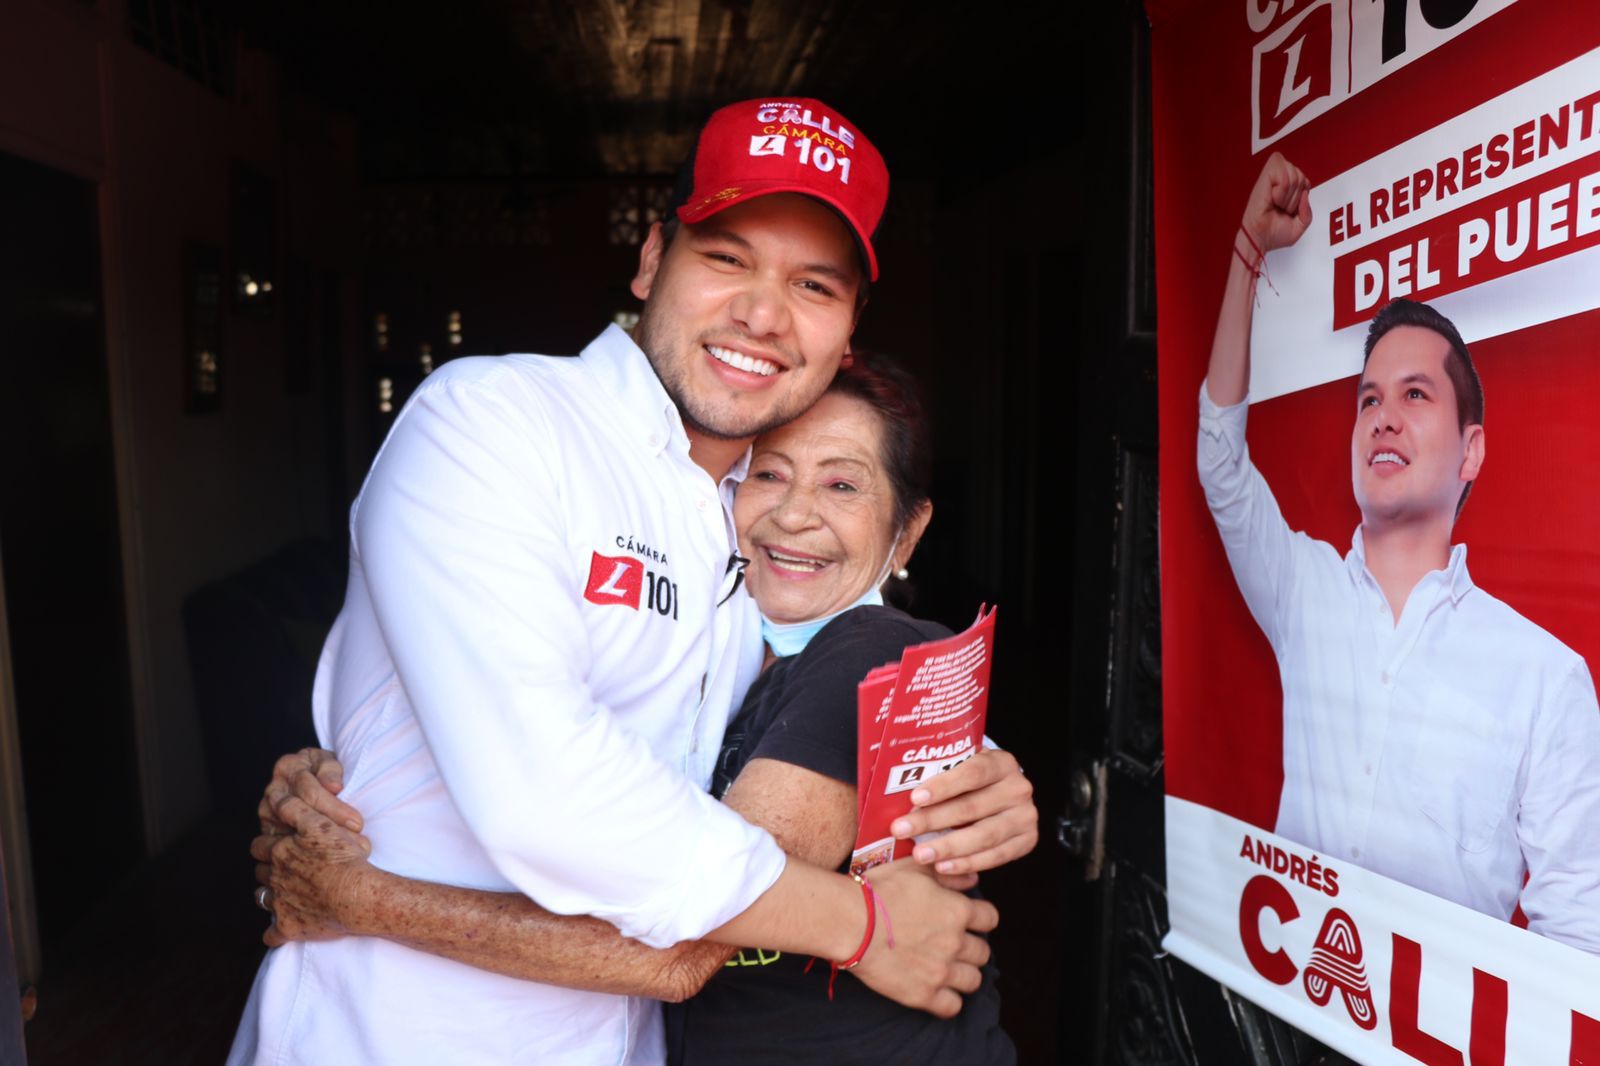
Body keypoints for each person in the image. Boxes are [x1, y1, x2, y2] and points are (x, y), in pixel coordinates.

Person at [228, 97, 1034, 1066]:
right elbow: (548, 791)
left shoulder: (735, 519)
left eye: (814, 285)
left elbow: (803, 694)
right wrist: (858, 923)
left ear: (846, 332)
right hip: (401, 1033)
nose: (763, 314)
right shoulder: (496, 421)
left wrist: (973, 770)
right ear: (652, 260)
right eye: (727, 258)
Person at [252, 354, 1018, 1064]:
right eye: (769, 473)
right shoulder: (725, 653)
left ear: (908, 528)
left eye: (843, 486)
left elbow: (674, 950)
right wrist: (362, 774)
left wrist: (355, 898)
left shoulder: (870, 653)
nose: (792, 514)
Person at [1199, 152, 1600, 952]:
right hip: (1283, 1015)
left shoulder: (1544, 678)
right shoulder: (1302, 590)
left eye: (1416, 395)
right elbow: (1220, 460)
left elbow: (1579, 943)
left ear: (1471, 450)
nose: (1384, 417)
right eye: (1370, 400)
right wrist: (1247, 251)